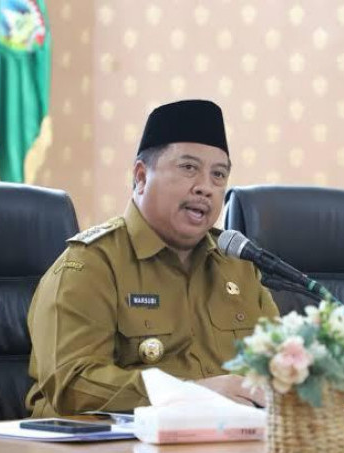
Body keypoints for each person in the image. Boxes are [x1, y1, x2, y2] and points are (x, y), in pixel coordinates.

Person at [26, 100, 278, 416]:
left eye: (218, 175)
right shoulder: (90, 265)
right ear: (142, 177)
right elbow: (72, 384)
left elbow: (282, 363)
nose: (206, 188)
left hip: (228, 439)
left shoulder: (238, 267)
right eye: (189, 168)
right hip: (114, 443)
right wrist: (190, 395)